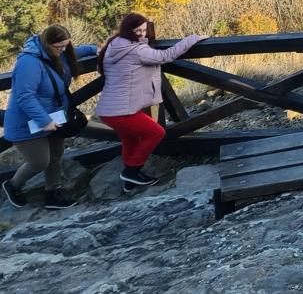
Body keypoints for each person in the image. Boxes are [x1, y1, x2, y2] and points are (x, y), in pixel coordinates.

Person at [96, 14, 205, 189]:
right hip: (121, 111)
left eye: (144, 30)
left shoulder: (114, 44)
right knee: (156, 132)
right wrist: (192, 39)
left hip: (109, 109)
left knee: (130, 140)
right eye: (137, 30)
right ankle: (131, 172)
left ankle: (130, 183)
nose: (142, 33)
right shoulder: (137, 51)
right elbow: (166, 55)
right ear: (127, 30)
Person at [3, 25, 97, 210]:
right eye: (59, 47)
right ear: (48, 44)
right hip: (27, 122)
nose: (63, 50)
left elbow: (75, 52)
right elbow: (25, 96)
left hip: (54, 116)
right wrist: (44, 121)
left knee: (56, 155)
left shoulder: (57, 54)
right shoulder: (28, 63)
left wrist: (94, 49)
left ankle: (52, 192)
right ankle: (12, 185)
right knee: (39, 161)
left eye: (66, 46)